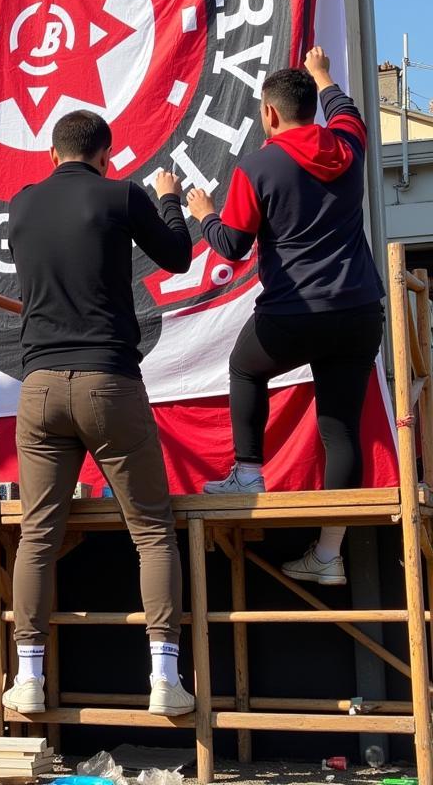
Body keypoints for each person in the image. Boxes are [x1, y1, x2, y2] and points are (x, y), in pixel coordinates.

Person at [5, 110, 195, 717]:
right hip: (107, 379)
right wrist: (168, 201)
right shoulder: (121, 195)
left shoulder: (23, 205)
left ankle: (27, 677)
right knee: (151, 531)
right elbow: (179, 258)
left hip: (38, 387)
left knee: (37, 536)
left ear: (52, 153)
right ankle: (164, 675)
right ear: (106, 154)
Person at [188, 46, 385, 586]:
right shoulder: (349, 143)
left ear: (270, 114)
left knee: (246, 368)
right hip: (359, 307)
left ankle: (249, 474)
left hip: (295, 310)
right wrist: (323, 74)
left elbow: (231, 245)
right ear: (313, 107)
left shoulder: (259, 165)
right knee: (340, 429)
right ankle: (328, 556)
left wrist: (203, 213)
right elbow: (344, 108)